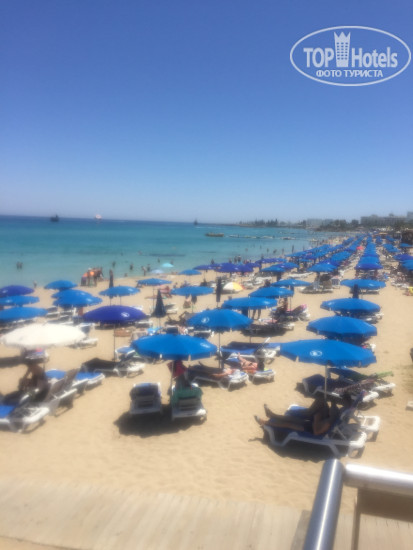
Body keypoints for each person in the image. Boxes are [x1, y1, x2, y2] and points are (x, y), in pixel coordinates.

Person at [254, 394, 352, 436]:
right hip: (312, 424)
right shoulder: (341, 412)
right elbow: (333, 414)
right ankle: (272, 415)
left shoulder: (329, 422)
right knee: (321, 401)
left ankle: (265, 422)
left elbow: (316, 432)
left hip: (309, 429)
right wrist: (332, 404)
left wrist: (317, 417)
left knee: (289, 423)